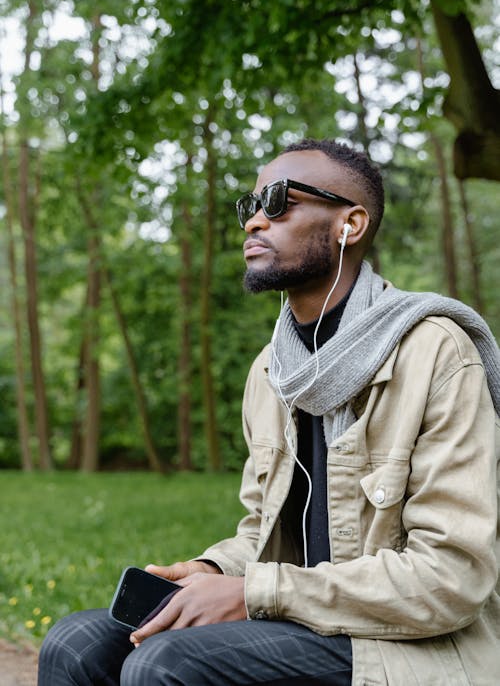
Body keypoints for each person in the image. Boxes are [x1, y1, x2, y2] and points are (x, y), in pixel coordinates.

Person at [38, 138, 500, 686]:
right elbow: (263, 532)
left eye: (279, 201)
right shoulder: (272, 372)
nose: (255, 221)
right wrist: (213, 571)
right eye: (250, 206)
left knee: (165, 666)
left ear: (349, 223)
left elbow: (451, 578)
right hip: (303, 614)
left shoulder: (435, 352)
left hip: (411, 644)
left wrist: (253, 593)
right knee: (76, 645)